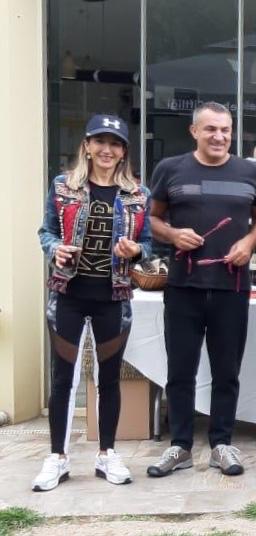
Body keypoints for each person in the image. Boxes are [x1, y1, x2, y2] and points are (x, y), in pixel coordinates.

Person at [147, 102, 256, 478]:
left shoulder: (250, 172)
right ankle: (180, 446)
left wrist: (248, 243)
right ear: (194, 132)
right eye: (211, 129)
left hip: (231, 288)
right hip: (183, 287)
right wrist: (173, 234)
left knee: (226, 371)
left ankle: (221, 443)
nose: (219, 136)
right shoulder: (170, 169)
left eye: (225, 130)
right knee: (180, 370)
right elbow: (153, 219)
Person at [33, 114, 152, 491]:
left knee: (109, 378)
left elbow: (148, 244)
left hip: (113, 297)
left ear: (124, 152)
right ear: (86, 145)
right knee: (63, 378)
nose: (107, 150)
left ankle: (107, 454)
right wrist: (56, 248)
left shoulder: (138, 194)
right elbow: (47, 231)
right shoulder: (62, 187)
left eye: (115, 144)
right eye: (100, 141)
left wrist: (136, 251)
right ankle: (58, 457)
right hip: (68, 295)